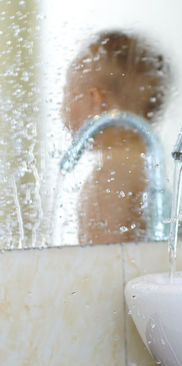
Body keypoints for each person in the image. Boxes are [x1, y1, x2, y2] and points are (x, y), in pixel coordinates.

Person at [61, 30, 171, 245]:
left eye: (67, 93)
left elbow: (104, 258)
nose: (62, 110)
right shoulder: (143, 159)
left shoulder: (112, 171)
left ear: (96, 100)